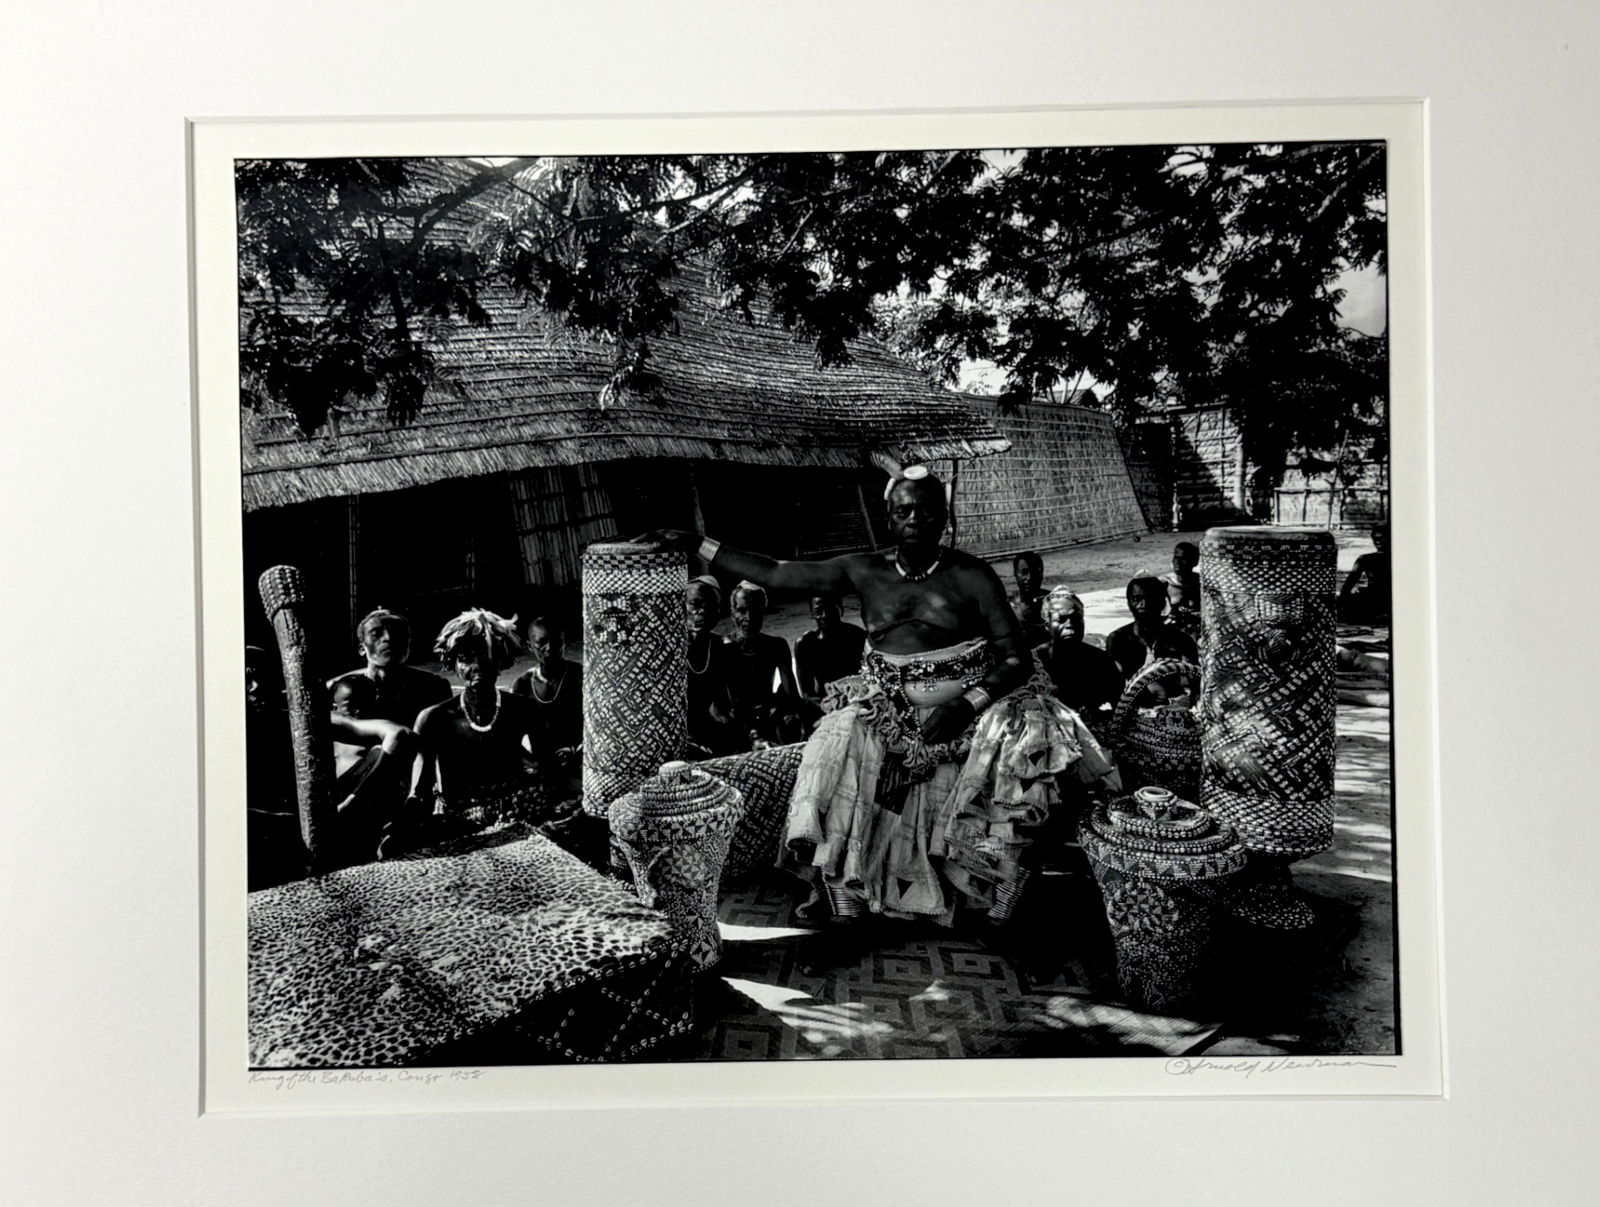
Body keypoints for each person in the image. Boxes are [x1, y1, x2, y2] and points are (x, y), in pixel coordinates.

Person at [638, 465, 1119, 932]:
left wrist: (965, 704)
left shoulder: (973, 576)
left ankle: (1002, 910)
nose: (915, 521)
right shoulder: (863, 569)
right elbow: (778, 573)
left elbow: (1015, 658)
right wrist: (696, 543)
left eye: (926, 512)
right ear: (888, 519)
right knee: (835, 738)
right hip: (889, 710)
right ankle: (846, 904)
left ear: (944, 518)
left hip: (973, 710)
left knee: (1030, 738)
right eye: (903, 513)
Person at [392, 609, 557, 853]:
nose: (477, 666)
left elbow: (549, 770)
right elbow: (420, 790)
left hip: (519, 817)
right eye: (466, 659)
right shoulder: (434, 719)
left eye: (484, 656)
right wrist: (405, 823)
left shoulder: (524, 709)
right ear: (453, 665)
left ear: (500, 660)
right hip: (457, 824)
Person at [328, 607, 453, 729]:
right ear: (362, 649)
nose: (388, 638)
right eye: (376, 634)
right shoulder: (340, 690)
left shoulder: (434, 687)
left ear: (408, 644)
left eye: (397, 633)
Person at [511, 615, 584, 803]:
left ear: (564, 641)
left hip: (581, 764)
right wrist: (533, 764)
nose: (550, 648)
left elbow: (600, 725)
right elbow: (512, 738)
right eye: (541, 643)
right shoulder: (522, 685)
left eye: (556, 641)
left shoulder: (581, 676)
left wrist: (577, 750)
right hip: (542, 771)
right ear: (530, 646)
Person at [726, 580, 803, 748]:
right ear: (732, 613)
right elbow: (724, 707)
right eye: (741, 611)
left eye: (755, 611)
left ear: (763, 614)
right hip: (737, 724)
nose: (749, 618)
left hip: (770, 717)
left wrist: (792, 715)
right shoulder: (723, 648)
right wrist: (752, 733)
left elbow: (792, 695)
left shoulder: (776, 646)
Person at [1033, 587, 1125, 726]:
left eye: (1076, 618)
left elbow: (1120, 709)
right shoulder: (1035, 661)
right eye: (1061, 619)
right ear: (1047, 625)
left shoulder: (1101, 661)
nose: (1070, 625)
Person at [684, 575, 741, 756]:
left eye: (710, 606)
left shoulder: (724, 648)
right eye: (695, 604)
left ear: (717, 613)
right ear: (681, 606)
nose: (701, 612)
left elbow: (728, 705)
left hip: (710, 733)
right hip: (679, 734)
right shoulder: (669, 651)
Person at [1104, 576, 1199, 679]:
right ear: (1129, 603)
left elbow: (1194, 679)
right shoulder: (1119, 640)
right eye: (1136, 599)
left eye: (1150, 598)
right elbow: (1114, 683)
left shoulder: (1181, 641)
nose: (1143, 605)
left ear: (1162, 603)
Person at [794, 594, 868, 703]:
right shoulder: (805, 644)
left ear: (841, 610)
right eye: (818, 612)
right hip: (824, 703)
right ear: (812, 614)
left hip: (857, 698)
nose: (824, 615)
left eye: (830, 610)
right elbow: (807, 693)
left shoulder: (858, 636)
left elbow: (869, 678)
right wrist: (826, 706)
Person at [1339, 523, 1391, 625]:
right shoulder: (1366, 559)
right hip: (1372, 600)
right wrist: (1342, 603)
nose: (1378, 542)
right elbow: (1348, 585)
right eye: (1375, 539)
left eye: (1383, 539)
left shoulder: (1400, 558)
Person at [1010, 550, 1051, 648]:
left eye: (1034, 572)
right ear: (1015, 574)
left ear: (1041, 575)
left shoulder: (1053, 602)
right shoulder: (1007, 605)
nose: (1029, 577)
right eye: (1024, 572)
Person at [1163, 541, 1202, 639]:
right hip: (1173, 633)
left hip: (1199, 632)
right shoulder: (1165, 584)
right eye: (1176, 557)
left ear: (1194, 561)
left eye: (1184, 558)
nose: (1178, 562)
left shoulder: (1202, 584)